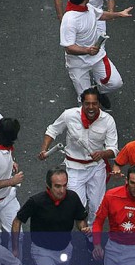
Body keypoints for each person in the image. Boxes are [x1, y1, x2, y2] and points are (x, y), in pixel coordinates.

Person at [39, 88, 117, 218]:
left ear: (99, 104)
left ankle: (91, 235)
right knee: (77, 206)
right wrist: (44, 149)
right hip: (74, 168)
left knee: (97, 208)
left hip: (96, 167)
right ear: (82, 103)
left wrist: (102, 154)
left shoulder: (108, 121)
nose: (91, 107)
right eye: (87, 104)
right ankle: (82, 228)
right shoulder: (69, 115)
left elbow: (113, 149)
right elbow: (52, 130)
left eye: (94, 103)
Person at [58, 0, 130, 101]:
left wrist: (119, 14)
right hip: (78, 63)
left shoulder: (89, 8)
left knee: (115, 83)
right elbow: (69, 48)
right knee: (85, 100)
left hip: (96, 56)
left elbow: (101, 15)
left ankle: (96, 91)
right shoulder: (69, 20)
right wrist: (87, 50)